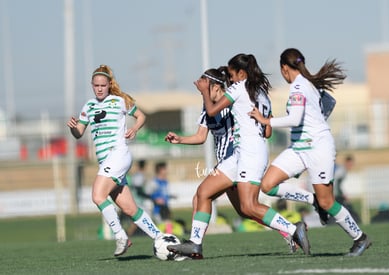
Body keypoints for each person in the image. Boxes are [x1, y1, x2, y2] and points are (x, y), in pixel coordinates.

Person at [168, 54, 311, 258]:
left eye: (232, 75)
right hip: (243, 153)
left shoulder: (239, 87)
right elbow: (268, 131)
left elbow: (212, 110)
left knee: (248, 206)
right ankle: (195, 244)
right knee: (203, 193)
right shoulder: (260, 92)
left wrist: (203, 92)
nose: (231, 80)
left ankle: (291, 229)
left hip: (249, 153)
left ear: (241, 73)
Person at [249, 48, 372, 256]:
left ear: (284, 68)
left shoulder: (299, 87)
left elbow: (295, 119)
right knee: (267, 185)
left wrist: (265, 120)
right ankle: (312, 200)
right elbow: (328, 105)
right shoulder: (307, 85)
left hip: (317, 149)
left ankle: (360, 238)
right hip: (299, 148)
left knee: (328, 201)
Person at [66, 64, 163, 257]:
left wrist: (134, 129)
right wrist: (72, 127)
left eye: (103, 85)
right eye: (96, 85)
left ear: (109, 84)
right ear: (92, 85)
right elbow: (78, 133)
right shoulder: (89, 106)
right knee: (130, 208)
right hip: (106, 161)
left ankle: (120, 236)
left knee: (97, 195)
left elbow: (141, 116)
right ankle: (161, 238)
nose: (100, 88)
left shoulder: (119, 101)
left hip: (118, 155)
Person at [333, 154, 360, 223]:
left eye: (352, 164)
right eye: (350, 164)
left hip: (336, 194)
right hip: (335, 195)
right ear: (346, 162)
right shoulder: (341, 170)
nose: (351, 166)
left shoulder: (342, 169)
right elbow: (335, 182)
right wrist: (341, 194)